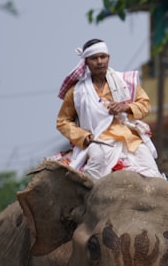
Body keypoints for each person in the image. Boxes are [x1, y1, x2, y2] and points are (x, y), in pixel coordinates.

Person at [56, 38, 161, 180]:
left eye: (102, 57)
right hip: (96, 140)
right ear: (86, 61)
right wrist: (82, 137)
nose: (99, 61)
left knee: (151, 169)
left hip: (127, 138)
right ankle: (89, 199)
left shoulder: (125, 81)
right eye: (94, 58)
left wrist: (126, 107)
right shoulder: (76, 92)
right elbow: (63, 121)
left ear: (108, 58)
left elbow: (145, 105)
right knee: (96, 165)